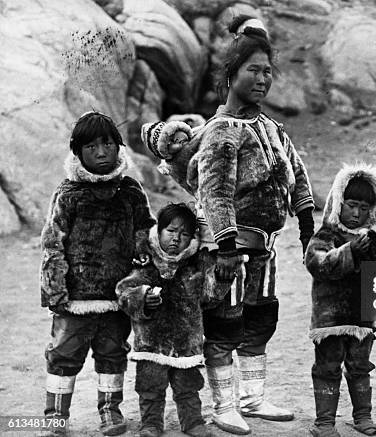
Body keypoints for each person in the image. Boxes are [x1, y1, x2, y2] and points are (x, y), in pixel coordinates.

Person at [141, 15, 315, 435]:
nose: (262, 79)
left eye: (268, 71)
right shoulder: (222, 132)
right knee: (226, 323)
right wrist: (226, 247)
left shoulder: (272, 127)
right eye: (253, 70)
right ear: (232, 74)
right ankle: (223, 404)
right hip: (230, 251)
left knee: (261, 318)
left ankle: (253, 397)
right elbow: (215, 193)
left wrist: (308, 226)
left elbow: (298, 174)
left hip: (265, 249)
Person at [40, 111, 155, 436]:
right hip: (74, 299)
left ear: (119, 147)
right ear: (77, 151)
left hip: (117, 296)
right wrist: (55, 291)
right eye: (91, 146)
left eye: (108, 143)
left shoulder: (130, 191)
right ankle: (55, 416)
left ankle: (110, 411)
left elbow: (143, 232)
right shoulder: (69, 194)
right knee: (63, 356)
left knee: (112, 354)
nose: (102, 152)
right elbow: (52, 242)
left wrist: (142, 277)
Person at [116, 203, 215, 437]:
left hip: (186, 341)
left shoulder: (195, 265)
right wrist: (141, 298)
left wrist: (216, 275)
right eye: (171, 231)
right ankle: (151, 423)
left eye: (184, 234)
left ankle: (192, 422)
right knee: (150, 387)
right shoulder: (145, 262)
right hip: (151, 343)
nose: (176, 238)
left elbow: (210, 296)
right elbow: (123, 291)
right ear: (158, 231)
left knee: (188, 386)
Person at [305, 164, 376, 437]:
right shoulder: (326, 235)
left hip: (362, 319)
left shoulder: (374, 239)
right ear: (338, 202)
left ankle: (363, 416)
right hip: (330, 320)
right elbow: (317, 263)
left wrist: (374, 253)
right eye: (351, 205)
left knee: (360, 367)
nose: (357, 213)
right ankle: (324, 422)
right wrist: (349, 250)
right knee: (327, 367)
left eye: (364, 207)